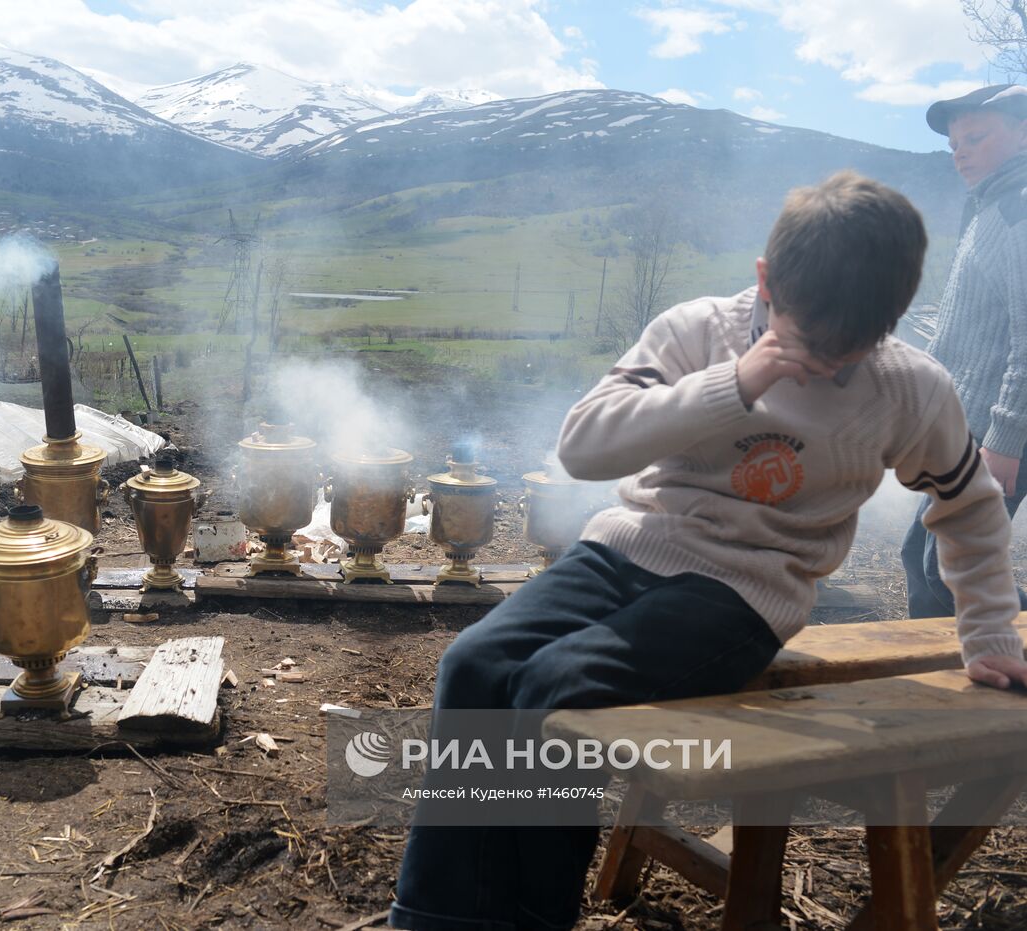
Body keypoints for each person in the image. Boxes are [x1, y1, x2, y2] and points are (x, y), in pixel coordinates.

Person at [389, 172, 1027, 931]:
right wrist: (736, 381)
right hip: (626, 550)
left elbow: (968, 503)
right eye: (807, 341)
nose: (824, 366)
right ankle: (433, 914)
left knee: (552, 691)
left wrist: (987, 629)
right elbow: (582, 446)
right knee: (474, 663)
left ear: (892, 319)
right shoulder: (698, 332)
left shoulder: (908, 387)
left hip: (745, 591)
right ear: (765, 281)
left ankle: (531, 916)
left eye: (849, 349)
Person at [902, 84, 1027, 618]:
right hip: (969, 425)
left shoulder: (1018, 209)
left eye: (976, 137)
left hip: (1001, 428)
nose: (961, 152)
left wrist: (1004, 436)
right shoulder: (989, 208)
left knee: (950, 568)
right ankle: (938, 677)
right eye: (955, 144)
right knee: (920, 558)